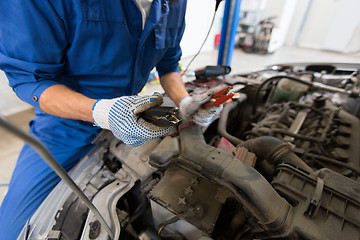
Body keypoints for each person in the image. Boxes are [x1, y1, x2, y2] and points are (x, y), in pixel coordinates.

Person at [0, 0, 222, 239]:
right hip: (64, 128)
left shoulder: (174, 4)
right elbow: (33, 80)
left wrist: (185, 101)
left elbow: (168, 64)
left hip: (133, 116)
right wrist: (103, 112)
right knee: (13, 231)